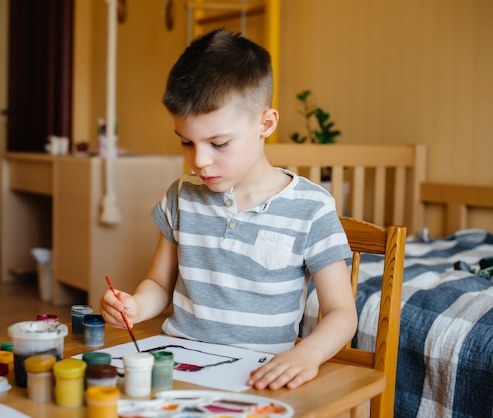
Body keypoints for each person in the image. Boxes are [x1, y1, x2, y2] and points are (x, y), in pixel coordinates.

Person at [100, 29, 357, 391]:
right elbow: (159, 282)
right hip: (177, 365)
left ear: (265, 124)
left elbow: (341, 313)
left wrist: (308, 354)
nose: (200, 160)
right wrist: (136, 306)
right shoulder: (181, 195)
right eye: (187, 142)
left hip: (257, 378)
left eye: (218, 143)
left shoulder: (310, 208)